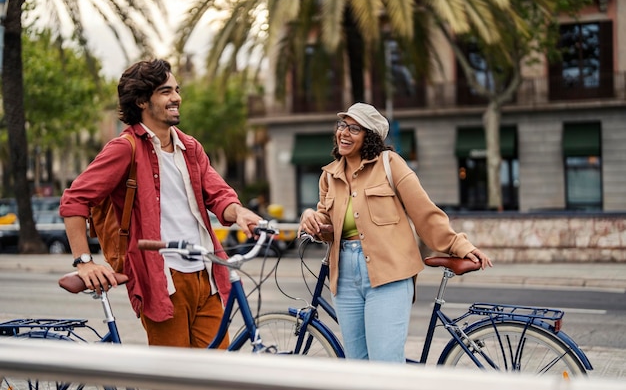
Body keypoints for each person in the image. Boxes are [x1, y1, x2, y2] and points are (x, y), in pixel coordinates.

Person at [60, 59, 262, 348]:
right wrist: (84, 262)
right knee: (172, 376)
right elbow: (75, 199)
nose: (177, 98)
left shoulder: (189, 147)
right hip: (163, 279)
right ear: (142, 100)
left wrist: (240, 212)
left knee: (218, 373)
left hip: (208, 273)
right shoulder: (124, 149)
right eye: (166, 91)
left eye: (177, 90)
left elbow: (218, 195)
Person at [298, 102, 492, 363]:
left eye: (354, 128)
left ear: (370, 136)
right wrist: (311, 217)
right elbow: (328, 223)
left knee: (385, 365)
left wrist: (460, 245)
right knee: (358, 365)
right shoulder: (329, 176)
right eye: (342, 125)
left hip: (388, 274)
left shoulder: (391, 164)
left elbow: (425, 213)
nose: (344, 132)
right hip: (343, 277)